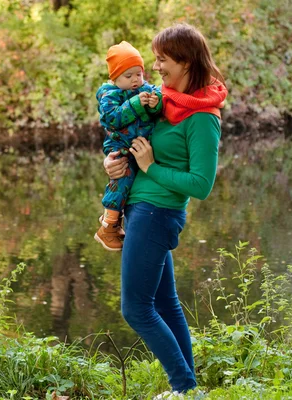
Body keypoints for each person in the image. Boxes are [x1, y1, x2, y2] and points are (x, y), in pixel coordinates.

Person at [103, 24, 228, 396]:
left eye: (163, 60)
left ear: (186, 61)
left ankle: (183, 386)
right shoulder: (163, 100)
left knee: (136, 309)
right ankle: (189, 390)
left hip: (158, 213)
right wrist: (113, 165)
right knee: (165, 303)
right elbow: (128, 139)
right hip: (142, 207)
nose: (156, 67)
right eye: (155, 59)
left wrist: (151, 168)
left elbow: (201, 185)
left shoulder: (203, 118)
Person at [95, 41, 162, 252]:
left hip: (140, 147)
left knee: (129, 184)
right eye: (129, 75)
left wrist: (155, 102)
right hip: (121, 147)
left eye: (139, 74)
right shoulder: (109, 95)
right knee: (121, 179)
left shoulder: (145, 89)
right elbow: (112, 119)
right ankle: (109, 226)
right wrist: (134, 104)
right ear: (115, 78)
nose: (136, 80)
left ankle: (115, 221)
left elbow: (159, 97)